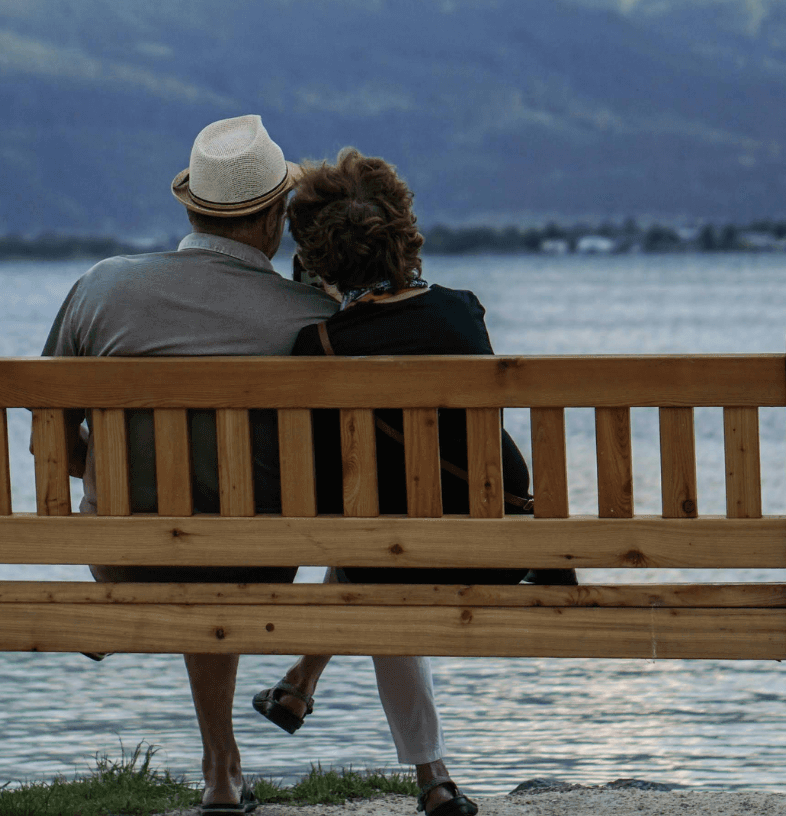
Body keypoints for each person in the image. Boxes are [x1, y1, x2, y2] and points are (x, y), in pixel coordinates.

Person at [39, 114, 328, 815]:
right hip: (253, 558)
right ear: (272, 222)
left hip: (120, 553)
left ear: (191, 205)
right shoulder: (307, 314)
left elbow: (50, 436)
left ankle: (220, 765)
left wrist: (105, 482)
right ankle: (223, 766)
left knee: (184, 524)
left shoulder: (100, 288)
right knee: (221, 524)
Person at [247, 148, 528, 816]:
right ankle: (304, 690)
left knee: (373, 537)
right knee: (378, 534)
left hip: (393, 554)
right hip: (503, 547)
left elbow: (321, 485)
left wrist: (325, 308)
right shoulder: (464, 314)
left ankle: (422, 768)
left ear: (317, 255)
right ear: (405, 229)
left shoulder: (318, 347)